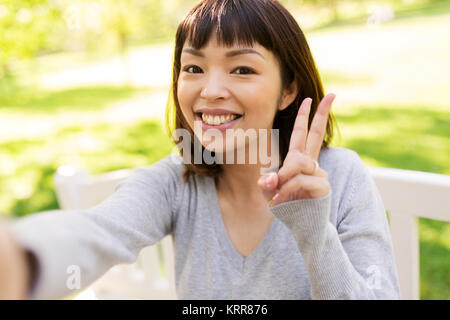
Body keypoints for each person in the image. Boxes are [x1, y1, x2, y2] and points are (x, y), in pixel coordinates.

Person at [0, 0, 400, 299]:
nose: (209, 91)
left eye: (242, 69)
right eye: (193, 68)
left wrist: (313, 230)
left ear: (289, 89)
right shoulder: (176, 183)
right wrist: (20, 259)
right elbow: (98, 232)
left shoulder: (343, 176)